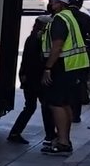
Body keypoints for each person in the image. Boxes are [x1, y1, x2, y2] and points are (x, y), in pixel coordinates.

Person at [40, 0, 90, 156]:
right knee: (65, 103)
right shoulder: (69, 16)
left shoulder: (60, 19)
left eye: (53, 1)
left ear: (60, 4)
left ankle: (62, 142)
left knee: (56, 103)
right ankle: (65, 140)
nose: (50, 4)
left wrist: (48, 68)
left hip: (63, 66)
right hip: (73, 67)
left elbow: (57, 46)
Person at [8, 16, 57, 145]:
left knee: (31, 106)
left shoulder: (32, 37)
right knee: (44, 106)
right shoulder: (38, 39)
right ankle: (50, 135)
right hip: (35, 79)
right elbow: (34, 61)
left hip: (29, 78)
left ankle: (15, 132)